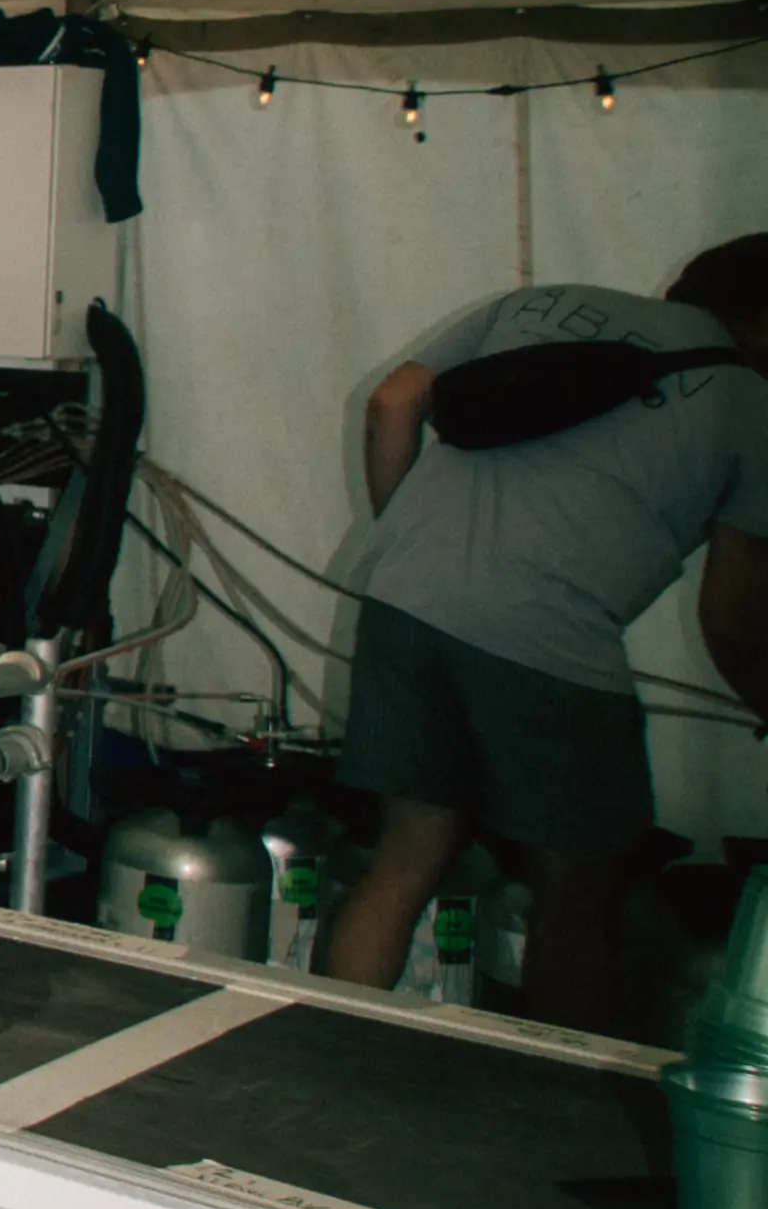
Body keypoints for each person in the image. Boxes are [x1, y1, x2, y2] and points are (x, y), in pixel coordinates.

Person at [319, 243, 768, 1032]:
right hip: (549, 642)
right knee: (577, 892)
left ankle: (329, 1047)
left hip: (404, 603)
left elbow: (393, 404)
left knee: (407, 852)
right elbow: (731, 620)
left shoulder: (536, 305)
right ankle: (562, 1104)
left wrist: (406, 539)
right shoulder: (752, 408)